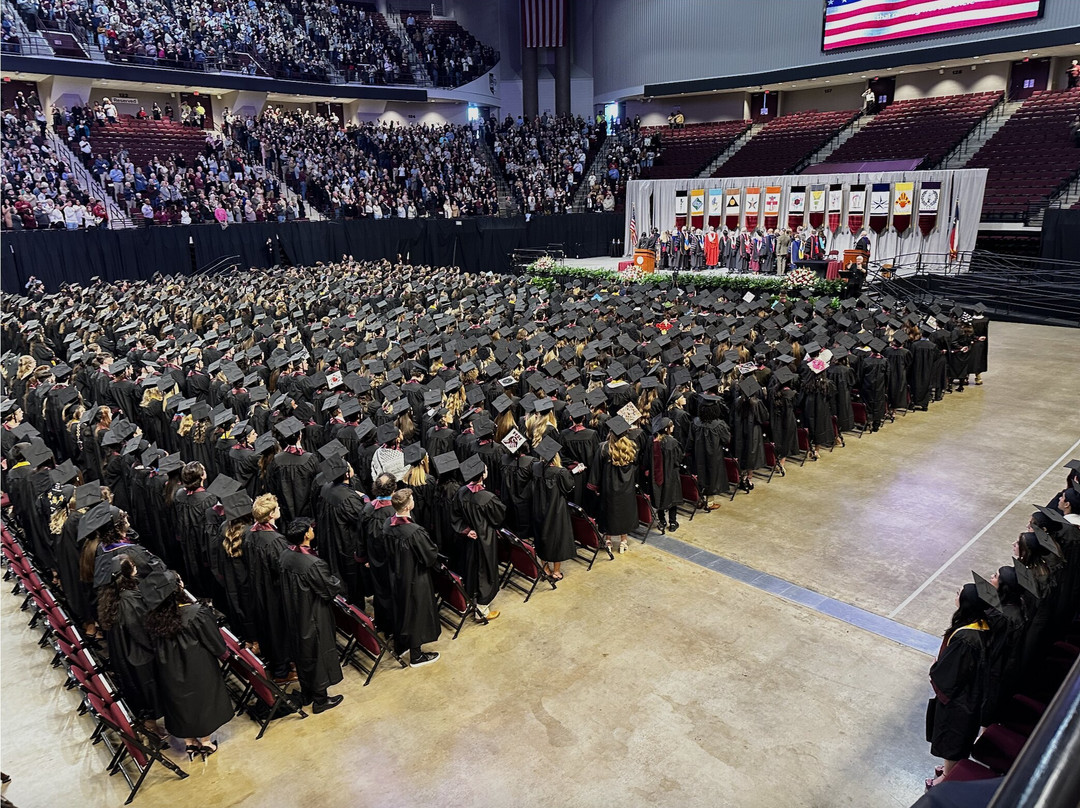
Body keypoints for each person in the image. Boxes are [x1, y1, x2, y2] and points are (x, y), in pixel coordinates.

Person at [143, 570, 234, 761]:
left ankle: (190, 742)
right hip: (198, 668)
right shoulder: (195, 613)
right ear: (178, 589)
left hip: (168, 670)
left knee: (180, 704)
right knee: (203, 702)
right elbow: (216, 643)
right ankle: (207, 742)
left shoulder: (153, 618)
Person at [278, 517, 347, 713]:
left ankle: (308, 692)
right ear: (307, 535)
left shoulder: (285, 555)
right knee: (318, 652)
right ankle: (320, 700)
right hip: (313, 614)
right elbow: (329, 588)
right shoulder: (312, 563)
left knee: (303, 653)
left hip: (294, 612)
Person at [925, 583, 989, 790]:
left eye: (959, 593)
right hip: (970, 693)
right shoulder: (979, 625)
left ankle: (947, 778)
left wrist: (936, 669)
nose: (956, 594)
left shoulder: (966, 638)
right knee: (955, 739)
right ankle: (948, 769)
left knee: (952, 738)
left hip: (960, 700)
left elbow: (950, 674)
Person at [385, 488, 441, 667]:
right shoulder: (413, 531)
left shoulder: (388, 524)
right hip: (415, 577)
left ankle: (403, 644)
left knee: (403, 610)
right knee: (417, 612)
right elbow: (429, 555)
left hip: (396, 575)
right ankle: (416, 656)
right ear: (409, 505)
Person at [451, 455, 503, 621]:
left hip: (470, 539)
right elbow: (498, 518)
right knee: (484, 571)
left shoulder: (461, 492)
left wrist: (466, 530)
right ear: (482, 475)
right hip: (485, 539)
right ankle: (482, 609)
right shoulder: (487, 498)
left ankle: (473, 598)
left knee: (473, 568)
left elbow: (454, 516)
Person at [588, 416, 638, 554]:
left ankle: (608, 540)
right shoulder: (631, 447)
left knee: (608, 513)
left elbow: (596, 470)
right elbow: (636, 468)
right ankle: (623, 541)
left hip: (608, 489)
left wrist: (595, 487)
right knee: (624, 513)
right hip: (627, 489)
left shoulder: (604, 448)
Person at [529, 436, 575, 580]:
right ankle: (556, 572)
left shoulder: (535, 467)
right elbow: (569, 488)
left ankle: (545, 568)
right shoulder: (560, 472)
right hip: (556, 510)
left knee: (542, 537)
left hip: (538, 509)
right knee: (557, 539)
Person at [649, 417, 682, 532]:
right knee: (672, 498)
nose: (673, 427)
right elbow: (678, 460)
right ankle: (672, 522)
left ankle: (662, 521)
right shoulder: (672, 442)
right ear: (667, 429)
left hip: (657, 476)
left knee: (660, 497)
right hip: (671, 475)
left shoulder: (652, 441)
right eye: (672, 426)